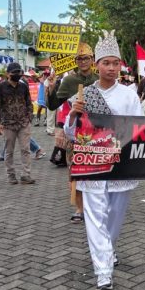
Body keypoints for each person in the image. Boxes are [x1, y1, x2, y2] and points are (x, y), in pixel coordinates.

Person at [64, 30, 144, 290]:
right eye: (106, 63)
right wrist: (73, 115)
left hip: (120, 164)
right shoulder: (83, 94)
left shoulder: (129, 95)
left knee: (114, 217)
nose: (111, 68)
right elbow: (70, 133)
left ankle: (108, 249)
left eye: (115, 63)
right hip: (91, 164)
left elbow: (139, 129)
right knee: (95, 217)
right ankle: (103, 272)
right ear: (96, 65)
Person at [57, 43, 98, 222]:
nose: (83, 62)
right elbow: (58, 105)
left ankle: (96, 205)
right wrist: (60, 129)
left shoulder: (100, 79)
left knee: (97, 171)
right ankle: (80, 208)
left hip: (97, 133)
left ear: (92, 59)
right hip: (74, 131)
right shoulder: (68, 81)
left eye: (86, 58)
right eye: (79, 59)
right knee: (75, 172)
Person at [0, 62, 35, 185]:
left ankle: (26, 175)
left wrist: (29, 117)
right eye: (14, 72)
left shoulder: (23, 86)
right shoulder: (0, 88)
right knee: (9, 151)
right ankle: (11, 175)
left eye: (19, 72)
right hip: (8, 124)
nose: (17, 74)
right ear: (8, 74)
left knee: (26, 149)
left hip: (23, 123)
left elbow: (29, 103)